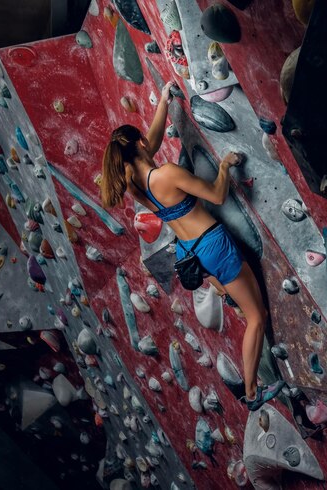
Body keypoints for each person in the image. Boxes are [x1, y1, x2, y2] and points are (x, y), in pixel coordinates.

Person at [100, 81, 284, 410]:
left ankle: (229, 294)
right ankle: (253, 391)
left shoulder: (136, 184)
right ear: (140, 143)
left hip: (190, 254)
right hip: (213, 244)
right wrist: (225, 166)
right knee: (258, 316)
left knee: (241, 301)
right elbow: (217, 194)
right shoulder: (167, 173)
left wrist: (164, 102)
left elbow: (150, 143)